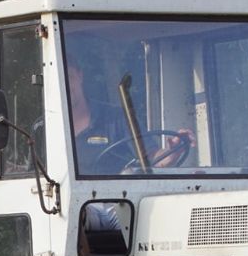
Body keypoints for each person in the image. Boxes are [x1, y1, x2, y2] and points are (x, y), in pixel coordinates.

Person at [67, 59, 197, 175]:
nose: (65, 86)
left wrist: (171, 153)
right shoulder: (47, 127)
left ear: (80, 76)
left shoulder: (117, 118)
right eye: (59, 82)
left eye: (70, 77)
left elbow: (151, 158)